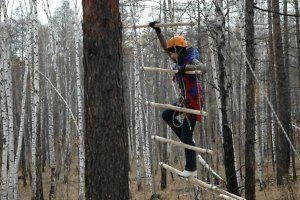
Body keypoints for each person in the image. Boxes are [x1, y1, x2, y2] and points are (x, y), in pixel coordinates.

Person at [149, 21, 205, 178]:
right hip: (183, 99)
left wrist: (184, 68)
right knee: (167, 114)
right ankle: (188, 140)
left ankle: (191, 169)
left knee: (187, 137)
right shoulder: (178, 56)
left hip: (194, 101)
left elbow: (202, 68)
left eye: (172, 53)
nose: (170, 56)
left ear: (178, 50)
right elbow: (165, 48)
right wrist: (158, 31)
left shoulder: (192, 57)